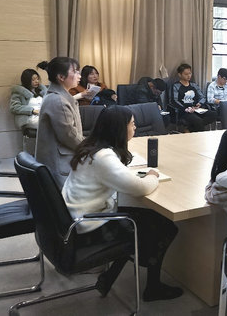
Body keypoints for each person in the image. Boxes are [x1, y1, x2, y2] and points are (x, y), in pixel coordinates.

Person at [62, 106, 182, 301]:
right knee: (164, 226)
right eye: (132, 124)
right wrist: (153, 175)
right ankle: (152, 287)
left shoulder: (91, 148)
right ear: (119, 128)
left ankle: (111, 275)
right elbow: (141, 188)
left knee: (147, 220)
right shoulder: (103, 157)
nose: (135, 127)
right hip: (90, 225)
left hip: (79, 217)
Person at [35, 58, 84, 182]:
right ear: (61, 77)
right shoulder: (58, 101)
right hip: (60, 166)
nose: (79, 75)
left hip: (61, 161)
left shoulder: (59, 97)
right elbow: (69, 136)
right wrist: (91, 147)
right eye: (75, 72)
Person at [171, 63, 215, 132]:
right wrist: (185, 109)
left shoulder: (193, 85)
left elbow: (202, 97)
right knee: (198, 121)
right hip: (184, 111)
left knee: (213, 114)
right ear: (180, 75)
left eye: (190, 73)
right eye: (186, 74)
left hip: (196, 109)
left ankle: (189, 129)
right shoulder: (176, 86)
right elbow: (174, 100)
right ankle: (201, 135)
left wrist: (200, 103)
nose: (189, 76)